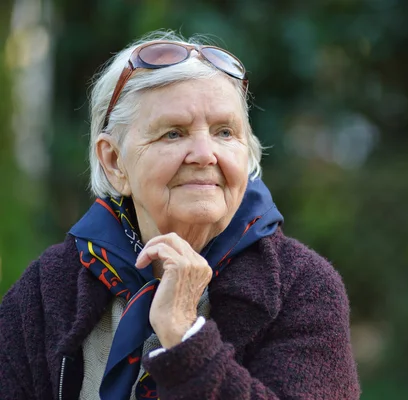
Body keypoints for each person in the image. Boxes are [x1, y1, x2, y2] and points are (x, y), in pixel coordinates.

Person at [0, 31, 360, 400]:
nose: (204, 154)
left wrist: (186, 338)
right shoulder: (47, 289)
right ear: (114, 161)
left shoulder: (301, 287)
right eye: (173, 134)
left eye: (224, 132)